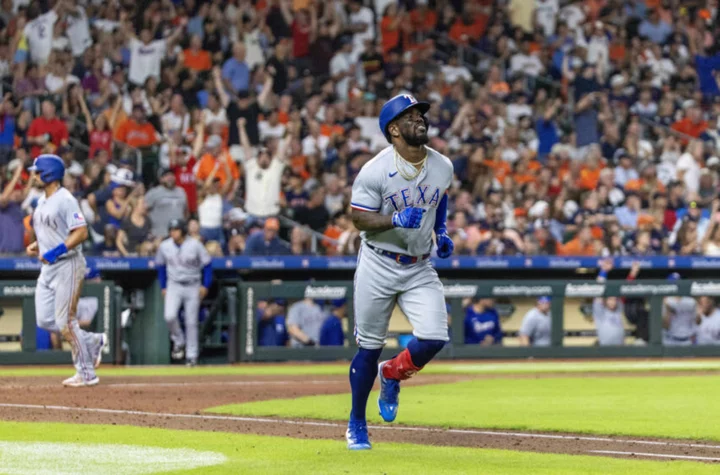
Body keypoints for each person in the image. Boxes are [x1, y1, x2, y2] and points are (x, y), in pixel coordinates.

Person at [345, 94, 454, 450]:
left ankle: (392, 374)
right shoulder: (374, 170)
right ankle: (356, 423)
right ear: (393, 129)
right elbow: (358, 216)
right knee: (369, 347)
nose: (419, 119)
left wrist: (441, 232)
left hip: (419, 264)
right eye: (409, 116)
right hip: (378, 261)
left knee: (435, 337)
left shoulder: (442, 166)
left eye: (420, 114)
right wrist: (393, 218)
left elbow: (441, 197)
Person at [25, 154, 106, 387]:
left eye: (38, 172)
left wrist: (55, 250)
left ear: (49, 174)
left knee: (66, 323)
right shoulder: (41, 201)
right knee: (45, 319)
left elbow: (81, 232)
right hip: (48, 267)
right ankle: (92, 341)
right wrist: (39, 245)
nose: (34, 175)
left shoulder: (65, 199)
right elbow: (53, 232)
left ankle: (87, 373)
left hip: (68, 264)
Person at [155, 218, 212, 366]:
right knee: (169, 316)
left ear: (183, 231)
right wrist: (163, 286)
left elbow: (207, 265)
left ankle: (192, 355)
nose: (173, 233)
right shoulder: (165, 246)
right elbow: (160, 266)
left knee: (191, 322)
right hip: (174, 285)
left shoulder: (195, 245)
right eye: (171, 230)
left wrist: (205, 285)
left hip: (193, 285)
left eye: (176, 230)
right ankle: (179, 340)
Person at [145, 169, 188, 240]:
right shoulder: (153, 192)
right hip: (160, 235)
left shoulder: (181, 191)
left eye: (171, 175)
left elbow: (186, 212)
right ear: (161, 179)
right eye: (166, 176)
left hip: (179, 236)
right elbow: (143, 211)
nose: (170, 177)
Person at [593, 260, 627, 346]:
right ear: (605, 300)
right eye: (610, 299)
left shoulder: (618, 309)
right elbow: (598, 289)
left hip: (620, 349)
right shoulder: (600, 311)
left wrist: (633, 273)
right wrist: (603, 271)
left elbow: (628, 288)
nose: (613, 302)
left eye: (614, 299)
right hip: (605, 350)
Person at [662, 273, 697, 346]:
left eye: (677, 283)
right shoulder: (665, 301)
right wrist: (668, 309)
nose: (675, 286)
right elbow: (666, 326)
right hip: (670, 340)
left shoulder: (690, 301)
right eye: (673, 283)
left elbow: (697, 322)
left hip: (687, 340)